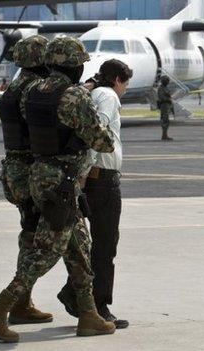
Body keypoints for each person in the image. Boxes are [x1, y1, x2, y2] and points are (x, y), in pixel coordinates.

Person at [0, 36, 116, 343]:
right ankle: (0, 306)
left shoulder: (27, 92)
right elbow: (102, 140)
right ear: (73, 65)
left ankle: (89, 314)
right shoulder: (73, 95)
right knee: (47, 249)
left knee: (79, 244)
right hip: (61, 181)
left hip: (38, 175)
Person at [58, 59, 132, 329]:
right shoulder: (109, 96)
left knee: (91, 245)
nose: (125, 89)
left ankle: (75, 294)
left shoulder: (93, 93)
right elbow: (95, 134)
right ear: (117, 80)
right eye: (126, 84)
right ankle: (98, 305)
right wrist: (84, 172)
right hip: (102, 180)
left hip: (95, 179)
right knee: (105, 244)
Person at [0, 35, 53, 325]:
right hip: (31, 170)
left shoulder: (13, 88)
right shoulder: (33, 90)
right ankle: (19, 302)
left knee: (28, 234)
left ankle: (22, 301)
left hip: (15, 169)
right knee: (38, 239)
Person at [157, 75, 173, 141]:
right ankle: (164, 135)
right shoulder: (161, 88)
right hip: (164, 105)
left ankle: (165, 134)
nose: (167, 82)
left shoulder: (165, 88)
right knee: (165, 120)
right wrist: (168, 99)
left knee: (167, 121)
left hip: (167, 105)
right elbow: (162, 97)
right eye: (167, 80)